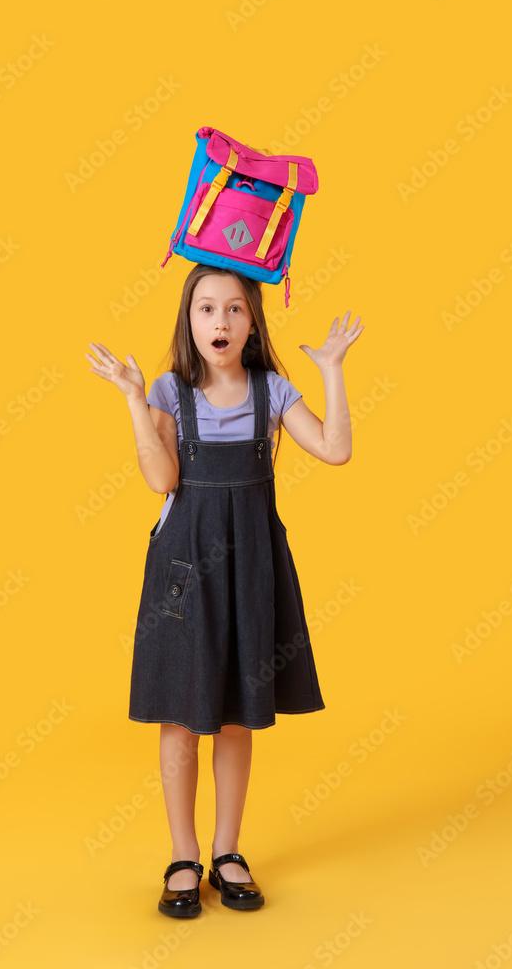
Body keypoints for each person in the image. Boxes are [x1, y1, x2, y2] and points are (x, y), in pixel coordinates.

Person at [85, 263, 364, 917]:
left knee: (237, 714)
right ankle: (183, 856)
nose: (221, 322)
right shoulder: (166, 392)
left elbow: (334, 449)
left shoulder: (272, 391)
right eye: (207, 309)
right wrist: (131, 401)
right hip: (183, 570)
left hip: (251, 567)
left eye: (234, 310)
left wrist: (330, 369)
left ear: (252, 322)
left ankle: (227, 850)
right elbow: (160, 481)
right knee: (182, 716)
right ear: (189, 320)